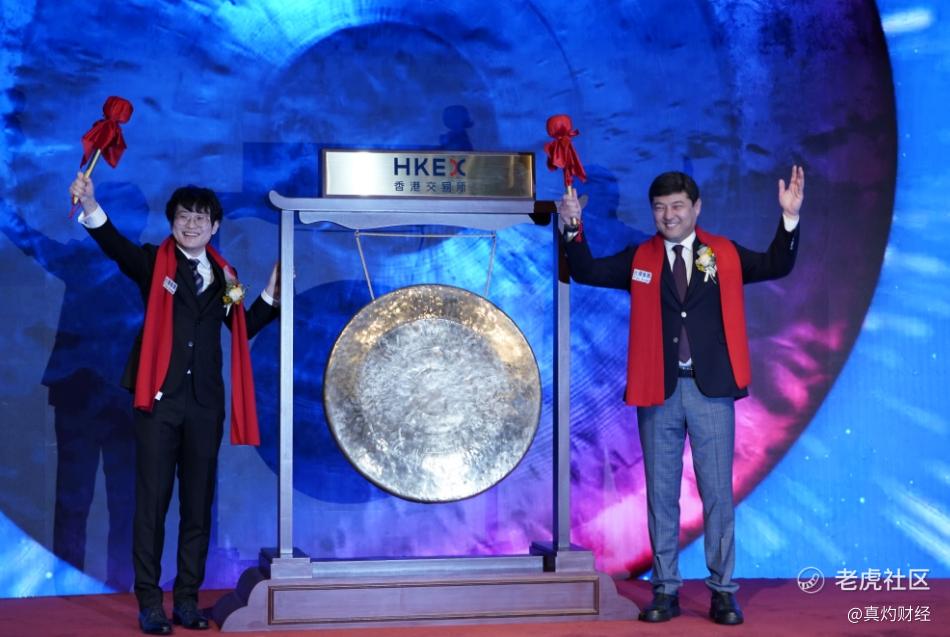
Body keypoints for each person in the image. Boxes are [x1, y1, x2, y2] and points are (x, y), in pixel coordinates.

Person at [559, 166, 804, 626]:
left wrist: (789, 219)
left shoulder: (724, 254)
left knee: (717, 495)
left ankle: (722, 592)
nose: (668, 215)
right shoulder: (640, 257)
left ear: (696, 208)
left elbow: (776, 263)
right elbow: (586, 270)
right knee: (661, 495)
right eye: (660, 207)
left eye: (677, 206)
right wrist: (572, 225)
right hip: (659, 389)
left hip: (711, 391)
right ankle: (665, 589)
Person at [69, 173, 280, 635]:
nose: (192, 224)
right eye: (184, 216)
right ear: (172, 222)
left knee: (198, 506)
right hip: (158, 404)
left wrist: (271, 294)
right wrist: (90, 205)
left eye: (201, 218)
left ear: (215, 226)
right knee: (151, 504)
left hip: (205, 406)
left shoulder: (226, 276)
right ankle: (149, 602)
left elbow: (242, 327)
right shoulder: (153, 262)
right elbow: (115, 246)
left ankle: (186, 599)